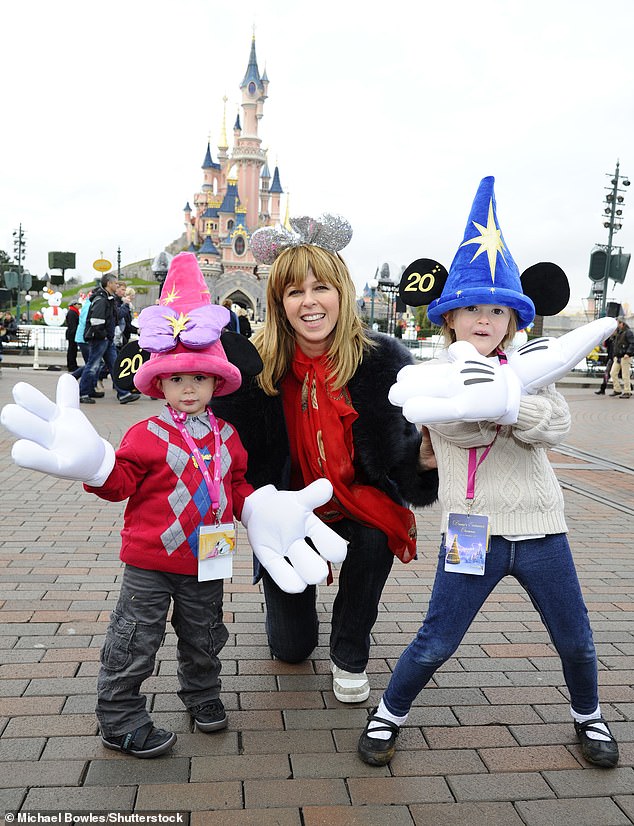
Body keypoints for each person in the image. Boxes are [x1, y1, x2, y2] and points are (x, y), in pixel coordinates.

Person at [0, 252, 346, 758]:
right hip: (150, 563)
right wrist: (96, 466)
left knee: (204, 635)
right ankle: (119, 716)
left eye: (199, 378)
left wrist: (259, 507)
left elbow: (236, 486)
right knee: (135, 640)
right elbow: (119, 483)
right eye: (177, 378)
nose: (189, 388)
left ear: (216, 382)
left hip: (208, 559)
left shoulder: (228, 436)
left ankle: (202, 695)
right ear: (159, 382)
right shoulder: (145, 434)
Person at [356, 176, 619, 769]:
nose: (484, 319)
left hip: (541, 529)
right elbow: (462, 429)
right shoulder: (434, 378)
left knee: (575, 638)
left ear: (512, 319)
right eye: (472, 308)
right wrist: (501, 402)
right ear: (449, 317)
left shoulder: (533, 367)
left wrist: (509, 398)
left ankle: (589, 715)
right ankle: (389, 713)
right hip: (471, 529)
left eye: (497, 309)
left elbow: (553, 426)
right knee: (437, 640)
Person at [211, 214, 439, 702]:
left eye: (321, 288)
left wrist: (422, 458)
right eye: (295, 292)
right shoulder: (251, 367)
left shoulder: (383, 362)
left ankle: (350, 649)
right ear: (279, 303)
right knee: (291, 649)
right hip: (287, 510)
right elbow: (233, 464)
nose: (310, 302)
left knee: (376, 532)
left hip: (358, 501)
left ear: (342, 293)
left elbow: (399, 466)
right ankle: (290, 614)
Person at [78, 274, 138, 405]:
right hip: (101, 339)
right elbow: (96, 321)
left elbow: (115, 316)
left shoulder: (108, 299)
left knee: (115, 365)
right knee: (93, 365)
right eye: (115, 283)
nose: (117, 285)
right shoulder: (101, 300)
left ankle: (123, 393)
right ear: (109, 284)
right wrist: (104, 335)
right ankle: (82, 393)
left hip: (106, 338)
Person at [609, 316, 634, 398]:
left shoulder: (628, 332)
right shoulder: (619, 332)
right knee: (613, 373)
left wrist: (628, 353)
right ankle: (617, 389)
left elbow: (632, 343)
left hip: (625, 356)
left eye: (617, 323)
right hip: (618, 356)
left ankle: (627, 391)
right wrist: (614, 355)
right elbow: (616, 345)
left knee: (625, 375)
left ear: (621, 323)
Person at [65, 302, 82, 372]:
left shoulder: (73, 312)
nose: (79, 306)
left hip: (72, 333)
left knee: (73, 350)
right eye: (78, 304)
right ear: (74, 305)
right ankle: (71, 365)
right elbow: (72, 325)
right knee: (72, 350)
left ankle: (73, 364)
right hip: (72, 334)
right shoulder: (72, 313)